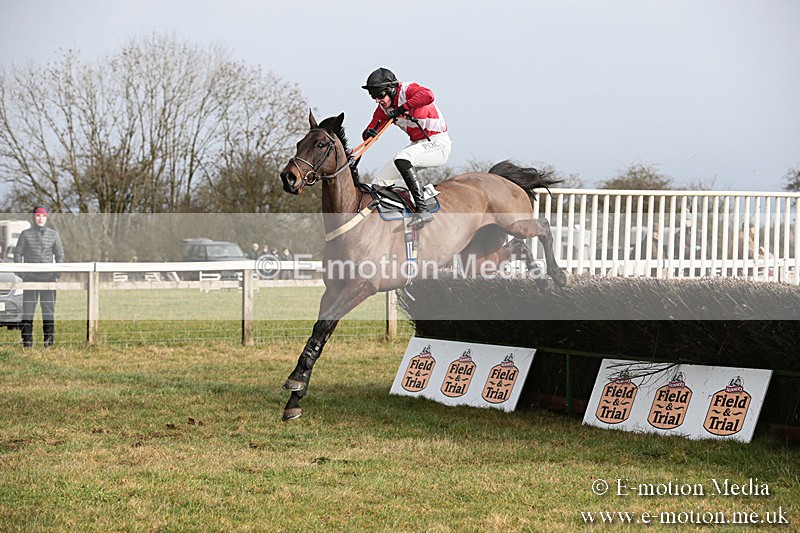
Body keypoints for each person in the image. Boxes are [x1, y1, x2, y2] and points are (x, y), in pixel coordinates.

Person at [361, 67, 452, 228]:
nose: (377, 100)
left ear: (392, 89)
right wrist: (368, 132)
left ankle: (422, 210)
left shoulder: (407, 90)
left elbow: (429, 95)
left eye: (379, 94)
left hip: (438, 143)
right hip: (417, 145)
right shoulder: (383, 109)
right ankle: (405, 210)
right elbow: (370, 132)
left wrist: (401, 109)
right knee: (377, 185)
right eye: (372, 96)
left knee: (402, 158)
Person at [14, 206, 65, 348]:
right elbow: (17, 255)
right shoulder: (25, 234)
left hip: (48, 280)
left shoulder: (54, 234)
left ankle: (48, 344)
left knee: (48, 312)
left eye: (43, 216)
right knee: (28, 312)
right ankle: (27, 343)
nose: (40, 218)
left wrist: (56, 274)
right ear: (34, 217)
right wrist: (22, 274)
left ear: (46, 217)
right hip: (30, 279)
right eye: (38, 216)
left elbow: (60, 255)